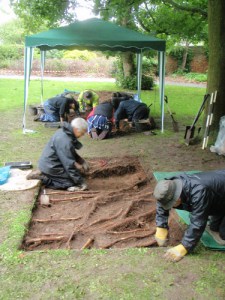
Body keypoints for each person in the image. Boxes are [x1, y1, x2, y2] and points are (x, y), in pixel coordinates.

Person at [153, 170, 225, 262]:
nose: (170, 206)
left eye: (171, 204)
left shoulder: (199, 192)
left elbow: (198, 222)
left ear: (177, 197)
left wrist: (184, 247)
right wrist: (161, 226)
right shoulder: (170, 184)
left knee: (223, 235)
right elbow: (162, 201)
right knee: (214, 227)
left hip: (219, 194)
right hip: (218, 194)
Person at [27, 118, 89, 191]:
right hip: (51, 167)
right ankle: (43, 178)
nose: (82, 135)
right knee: (70, 183)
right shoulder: (65, 141)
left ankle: (44, 172)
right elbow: (69, 165)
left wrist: (81, 161)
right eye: (82, 133)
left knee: (75, 175)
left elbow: (70, 152)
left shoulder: (65, 132)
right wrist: (80, 182)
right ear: (76, 129)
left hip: (51, 163)